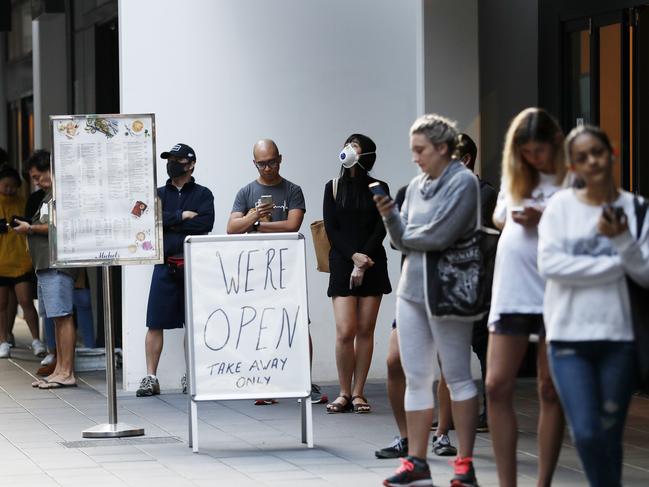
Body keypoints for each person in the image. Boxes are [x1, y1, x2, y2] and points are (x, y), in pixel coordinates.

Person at [538, 125, 649, 487]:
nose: (592, 161)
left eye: (597, 153)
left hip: (619, 337)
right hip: (568, 336)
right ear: (572, 166)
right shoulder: (560, 207)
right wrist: (613, 265)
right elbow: (550, 265)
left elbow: (645, 272)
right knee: (586, 432)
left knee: (610, 436)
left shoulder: (636, 208)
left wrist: (622, 241)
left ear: (611, 153)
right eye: (582, 157)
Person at [376, 114, 481, 486]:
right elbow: (402, 240)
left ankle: (464, 464)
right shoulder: (417, 185)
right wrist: (391, 217)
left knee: (456, 375)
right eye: (412, 150)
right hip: (412, 290)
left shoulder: (463, 183)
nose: (415, 157)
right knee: (416, 376)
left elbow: (439, 237)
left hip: (450, 289)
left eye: (420, 150)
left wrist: (408, 230)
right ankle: (416, 462)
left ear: (442, 148)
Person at [485, 107, 566, 487]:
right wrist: (516, 214)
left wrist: (544, 215)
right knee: (496, 384)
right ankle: (507, 483)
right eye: (526, 151)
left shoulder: (574, 176)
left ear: (554, 145)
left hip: (556, 288)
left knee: (550, 388)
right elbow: (499, 215)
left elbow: (585, 223)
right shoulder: (515, 173)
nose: (533, 158)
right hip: (513, 285)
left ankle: (543, 483)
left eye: (539, 151)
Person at [226, 138, 327, 405]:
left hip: (288, 268)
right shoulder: (246, 192)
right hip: (257, 270)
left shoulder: (293, 190)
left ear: (280, 159)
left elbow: (293, 225)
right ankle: (264, 383)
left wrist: (254, 224)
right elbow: (231, 228)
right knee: (260, 325)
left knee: (298, 323)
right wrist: (254, 217)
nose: (267, 168)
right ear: (254, 163)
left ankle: (303, 382)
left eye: (271, 162)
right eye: (261, 164)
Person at [136, 143, 214, 397]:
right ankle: (150, 377)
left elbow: (205, 224)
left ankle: (191, 375)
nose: (172, 164)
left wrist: (169, 221)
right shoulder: (156, 193)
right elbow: (148, 219)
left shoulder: (203, 194)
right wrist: (182, 216)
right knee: (154, 322)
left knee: (192, 322)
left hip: (193, 265)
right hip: (164, 263)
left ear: (191, 164)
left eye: (178, 160)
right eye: (170, 159)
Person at [323, 133, 391, 415]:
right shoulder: (334, 186)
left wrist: (363, 260)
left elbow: (382, 226)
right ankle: (343, 392)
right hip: (342, 262)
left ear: (366, 156)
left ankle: (359, 392)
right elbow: (331, 228)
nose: (348, 149)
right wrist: (353, 257)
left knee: (365, 330)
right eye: (347, 144)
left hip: (372, 263)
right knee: (344, 331)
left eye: (355, 146)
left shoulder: (379, 186)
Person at [14, 152, 78, 388]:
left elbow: (57, 226)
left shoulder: (62, 195)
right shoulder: (49, 196)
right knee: (56, 318)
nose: (37, 182)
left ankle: (67, 371)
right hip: (46, 265)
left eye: (39, 176)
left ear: (51, 170)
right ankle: (61, 368)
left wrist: (30, 228)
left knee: (62, 316)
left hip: (57, 263)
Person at [0, 165, 46, 359]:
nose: (9, 189)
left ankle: (36, 340)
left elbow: (29, 222)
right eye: (5, 185)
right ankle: (3, 340)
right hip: (1, 261)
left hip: (21, 260)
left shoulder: (22, 201)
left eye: (13, 186)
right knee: (1, 304)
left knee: (26, 300)